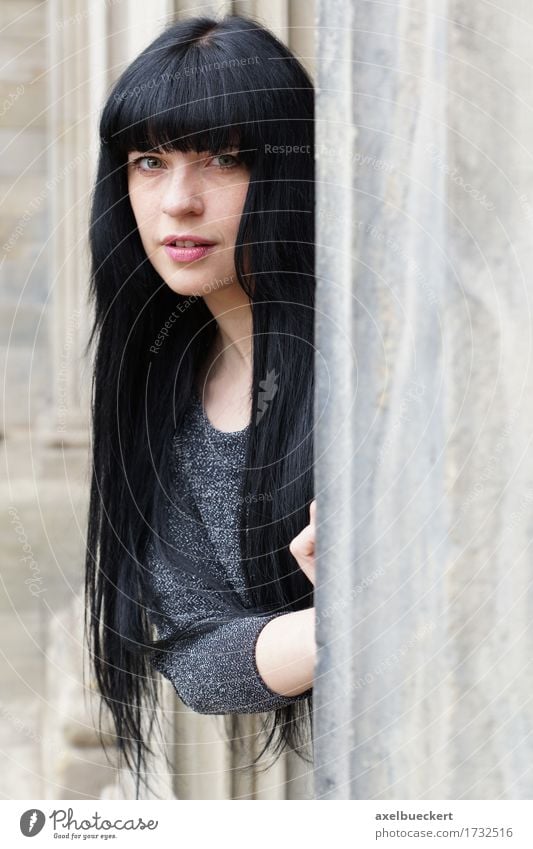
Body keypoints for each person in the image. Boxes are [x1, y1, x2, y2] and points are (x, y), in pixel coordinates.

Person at [84, 13, 317, 798]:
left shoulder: (372, 367)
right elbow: (197, 655)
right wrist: (353, 617)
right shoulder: (165, 394)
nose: (178, 202)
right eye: (149, 161)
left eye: (223, 159)